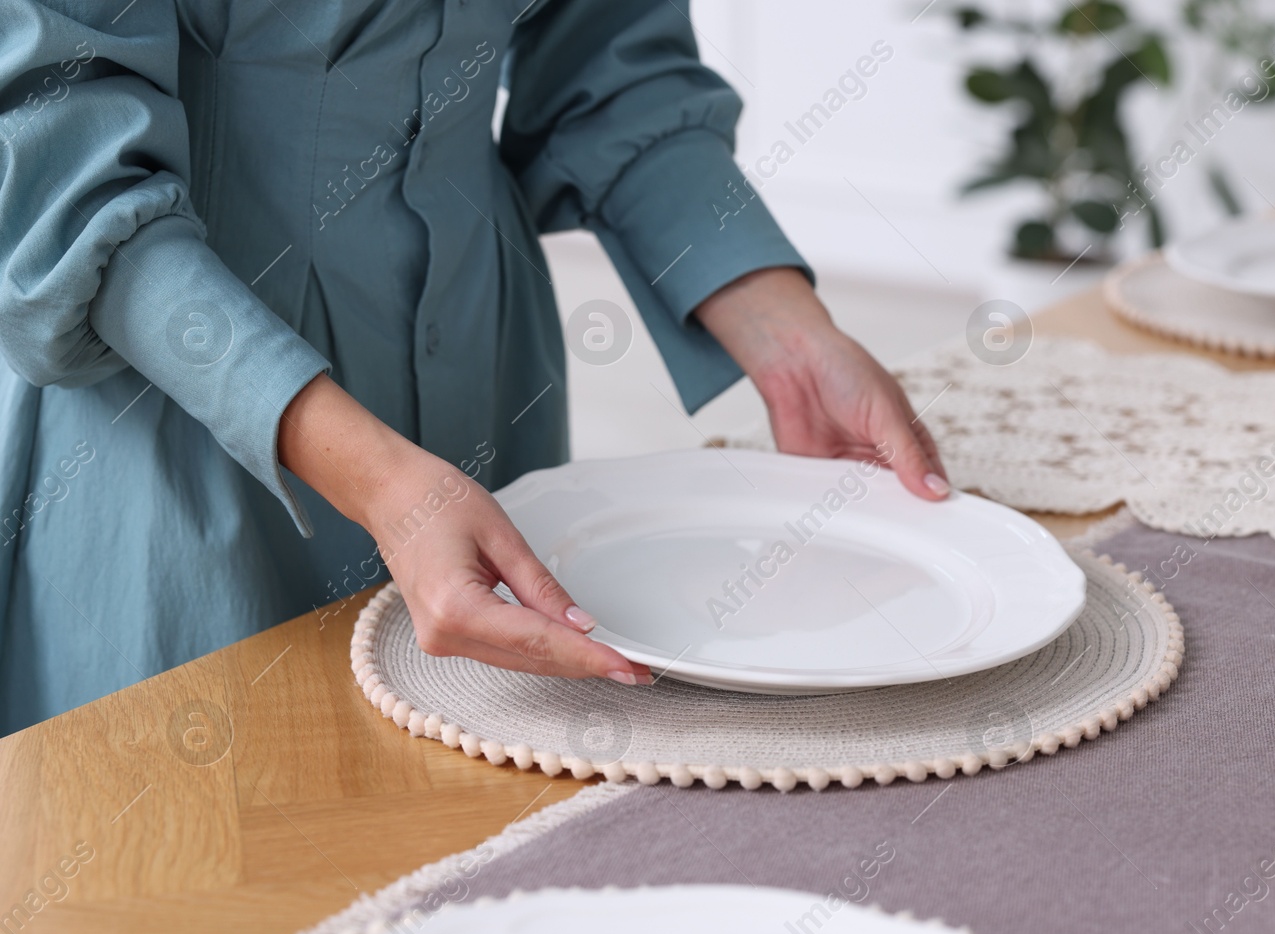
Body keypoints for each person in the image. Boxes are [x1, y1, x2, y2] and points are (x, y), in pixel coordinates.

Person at [0, 0, 946, 735]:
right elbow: (61, 178)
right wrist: (380, 482)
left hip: (487, 383)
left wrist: (793, 342)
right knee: (209, 901)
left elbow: (612, 71)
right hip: (177, 420)